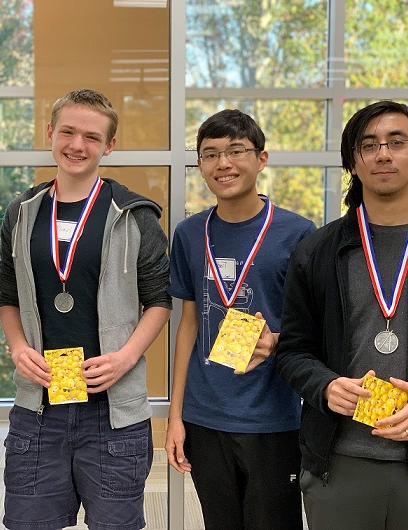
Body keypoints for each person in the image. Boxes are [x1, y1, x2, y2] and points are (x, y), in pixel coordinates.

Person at [276, 100, 408, 530]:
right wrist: (325, 385)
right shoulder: (317, 252)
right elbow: (292, 351)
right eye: (368, 145)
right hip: (339, 463)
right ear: (353, 162)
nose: (383, 154)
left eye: (397, 142)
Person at [0, 88, 171, 530]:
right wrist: (18, 349)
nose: (78, 145)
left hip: (113, 413)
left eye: (92, 137)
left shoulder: (135, 217)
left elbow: (160, 301)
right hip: (39, 408)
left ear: (109, 145)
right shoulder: (20, 214)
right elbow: (9, 297)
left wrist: (125, 358)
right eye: (68, 132)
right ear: (50, 132)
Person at [165, 109, 315, 529]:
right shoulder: (189, 234)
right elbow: (188, 324)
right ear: (200, 165)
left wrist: (279, 339)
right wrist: (176, 417)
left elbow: (315, 328)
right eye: (210, 154)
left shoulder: (297, 233)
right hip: (204, 416)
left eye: (235, 151)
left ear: (261, 159)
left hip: (274, 416)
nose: (223, 163)